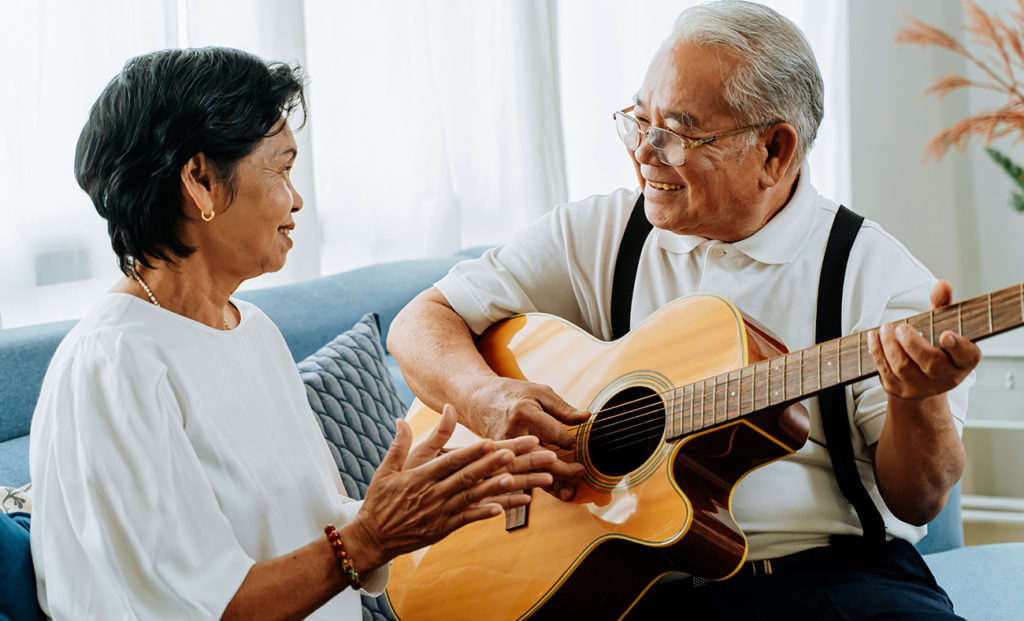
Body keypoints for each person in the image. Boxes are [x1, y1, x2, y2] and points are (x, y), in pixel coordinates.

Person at [387, 2, 980, 619]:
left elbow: (919, 501)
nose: (645, 152)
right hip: (630, 583)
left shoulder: (879, 276)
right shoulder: (601, 232)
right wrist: (487, 398)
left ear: (775, 150)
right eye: (639, 122)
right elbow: (421, 322)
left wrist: (919, 400)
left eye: (676, 133)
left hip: (833, 576)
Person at [28, 47, 556, 620]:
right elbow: (198, 610)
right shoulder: (111, 365)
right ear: (201, 181)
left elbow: (309, 532)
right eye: (280, 168)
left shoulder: (251, 329)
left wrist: (411, 505)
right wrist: (372, 536)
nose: (296, 199)